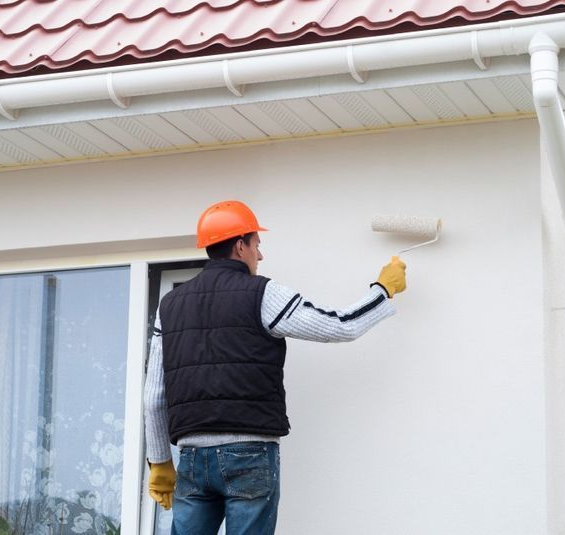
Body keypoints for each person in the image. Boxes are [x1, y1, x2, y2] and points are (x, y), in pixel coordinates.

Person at [143, 200, 406, 534]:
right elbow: (339, 326)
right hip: (249, 455)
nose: (260, 255)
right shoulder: (262, 294)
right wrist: (383, 291)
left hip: (193, 458)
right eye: (257, 245)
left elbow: (153, 397)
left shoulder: (170, 305)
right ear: (240, 245)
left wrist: (160, 462)